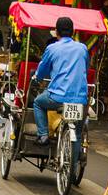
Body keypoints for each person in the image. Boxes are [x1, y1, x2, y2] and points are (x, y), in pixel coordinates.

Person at [31, 15, 90, 163]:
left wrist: (37, 77)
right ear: (73, 31)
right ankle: (74, 163)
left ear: (56, 32)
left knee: (38, 102)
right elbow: (86, 67)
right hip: (80, 100)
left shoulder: (52, 48)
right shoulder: (82, 48)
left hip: (57, 98)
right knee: (76, 131)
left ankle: (43, 135)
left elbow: (42, 71)